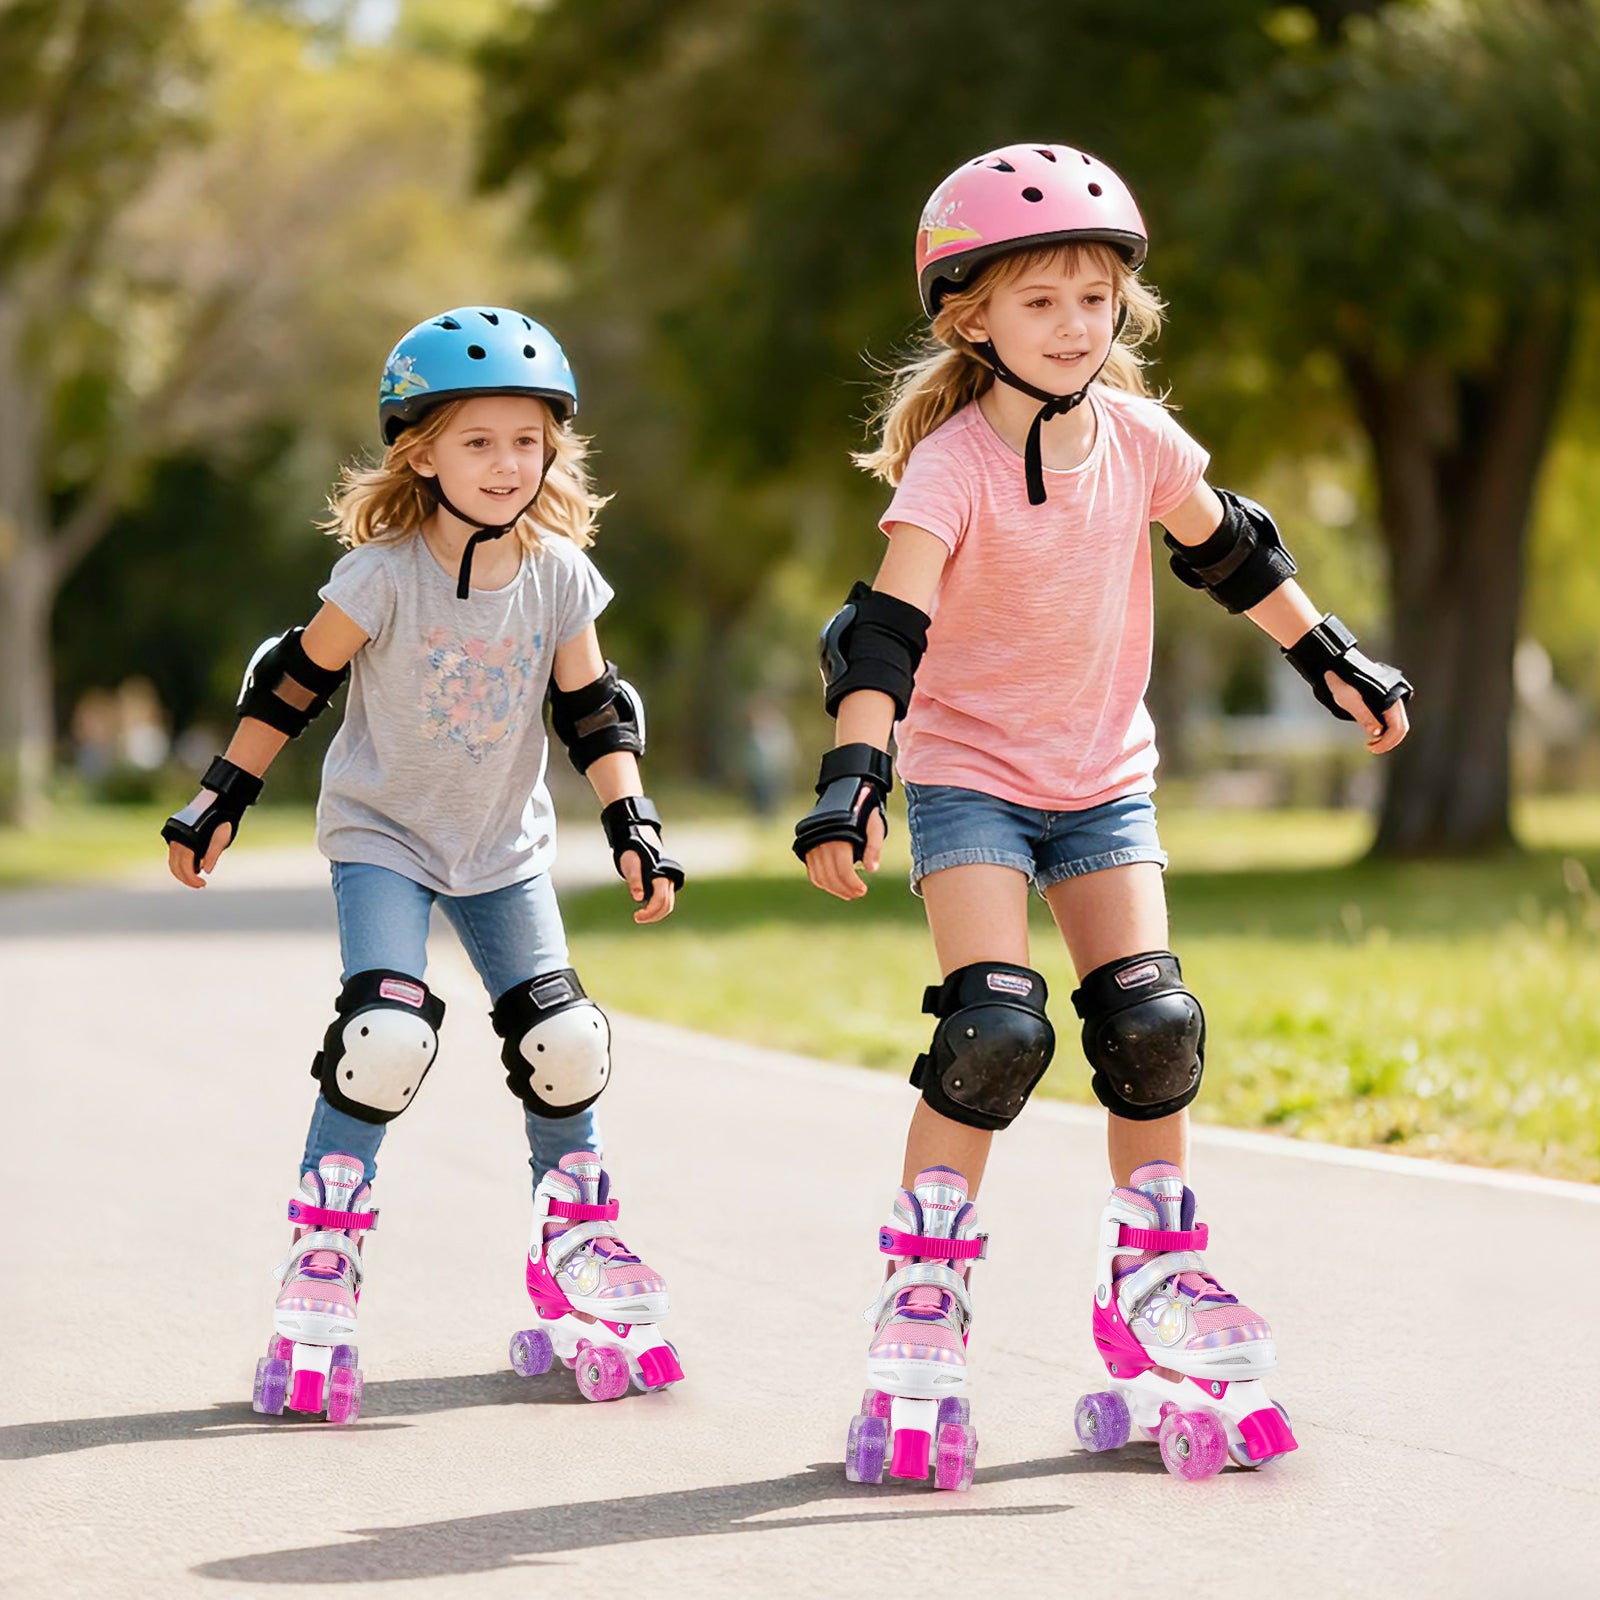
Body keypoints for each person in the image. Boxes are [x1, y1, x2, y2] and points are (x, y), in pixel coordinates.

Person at [794, 146, 1411, 1488]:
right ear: (970, 316)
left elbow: (1231, 551)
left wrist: (1333, 661)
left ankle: (1155, 1270)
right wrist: (855, 778)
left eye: (1094, 298)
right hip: (970, 779)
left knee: (1150, 1024)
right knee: (993, 1030)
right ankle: (925, 1288)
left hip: (1103, 780)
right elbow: (883, 636)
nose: (1076, 325)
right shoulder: (951, 466)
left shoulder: (1137, 439)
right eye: (1041, 302)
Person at [162, 307, 687, 1420]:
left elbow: (593, 710)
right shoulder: (380, 576)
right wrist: (220, 798)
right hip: (384, 837)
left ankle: (576, 1237)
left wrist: (632, 825)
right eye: (478, 441)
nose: (508, 464)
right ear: (420, 449)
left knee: (564, 1039)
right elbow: (288, 687)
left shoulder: (557, 575)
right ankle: (323, 1253)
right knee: (386, 1034)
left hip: (503, 846)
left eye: (528, 441)